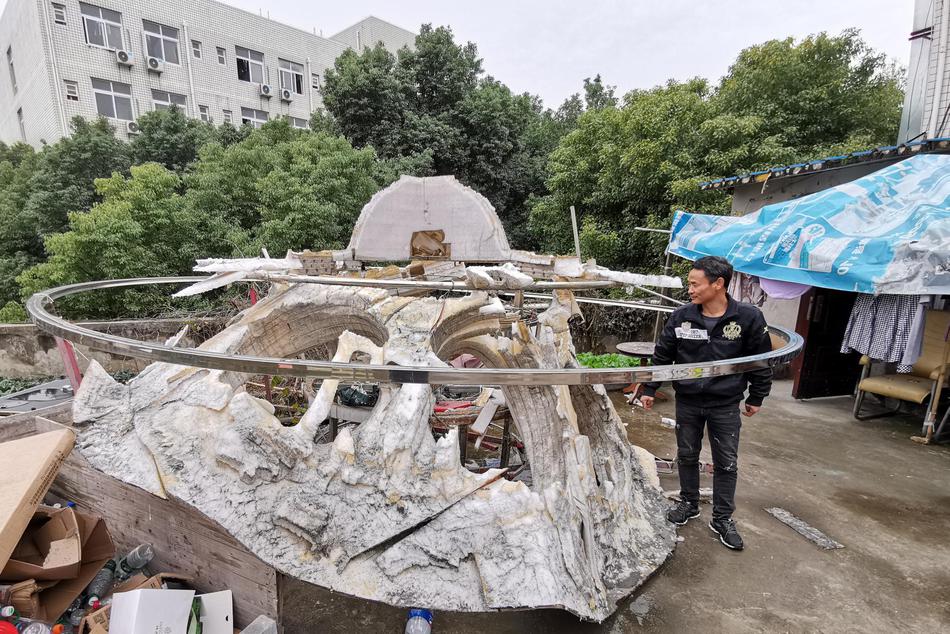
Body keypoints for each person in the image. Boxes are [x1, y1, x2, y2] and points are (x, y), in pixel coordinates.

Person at [641, 256, 772, 551]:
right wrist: (650, 387)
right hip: (688, 400)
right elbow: (663, 356)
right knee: (687, 454)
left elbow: (760, 361)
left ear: (718, 284)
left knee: (726, 462)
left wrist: (757, 396)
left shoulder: (748, 318)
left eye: (694, 283)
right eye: (690, 283)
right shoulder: (682, 317)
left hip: (725, 402)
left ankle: (723, 518)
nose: (690, 289)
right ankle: (689, 503)